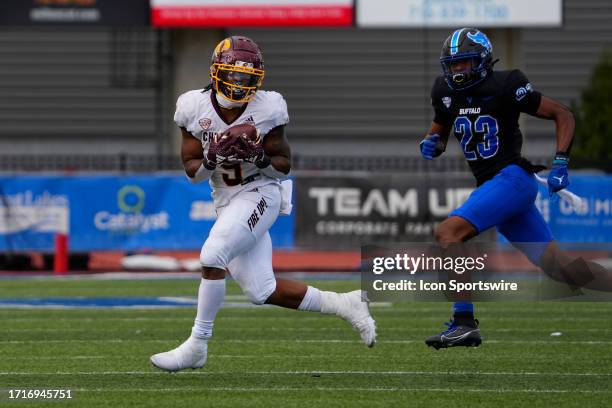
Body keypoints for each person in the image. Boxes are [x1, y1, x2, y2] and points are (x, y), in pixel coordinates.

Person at [150, 36, 376, 372]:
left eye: (247, 77)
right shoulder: (192, 107)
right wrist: (212, 158)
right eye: (234, 75)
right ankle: (345, 304)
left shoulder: (268, 107)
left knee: (212, 256)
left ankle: (197, 344)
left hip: (261, 191)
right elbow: (193, 174)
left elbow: (283, 164)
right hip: (226, 201)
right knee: (261, 290)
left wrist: (258, 155)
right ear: (216, 72)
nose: (240, 84)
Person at [419, 28, 576, 349]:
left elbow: (563, 114)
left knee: (448, 233)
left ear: (482, 61)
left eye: (465, 63)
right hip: (497, 185)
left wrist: (560, 161)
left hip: (512, 179)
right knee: (561, 270)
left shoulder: (507, 84)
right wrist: (432, 142)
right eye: (453, 65)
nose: (458, 71)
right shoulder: (444, 91)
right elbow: (440, 129)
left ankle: (464, 323)